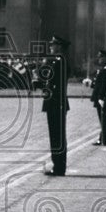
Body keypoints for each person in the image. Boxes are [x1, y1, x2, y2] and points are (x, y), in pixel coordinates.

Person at [41, 35, 70, 175]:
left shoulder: (60, 61)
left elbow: (57, 84)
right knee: (55, 136)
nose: (51, 47)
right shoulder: (56, 61)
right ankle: (57, 164)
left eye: (53, 44)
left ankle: (59, 167)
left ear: (59, 46)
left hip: (57, 103)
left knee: (57, 136)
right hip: (53, 103)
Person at [90, 49, 106, 145]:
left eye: (101, 57)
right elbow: (98, 84)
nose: (99, 59)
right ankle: (102, 138)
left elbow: (104, 85)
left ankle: (104, 140)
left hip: (102, 97)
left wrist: (100, 98)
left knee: (103, 119)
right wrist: (90, 83)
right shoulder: (102, 69)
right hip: (100, 96)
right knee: (102, 119)